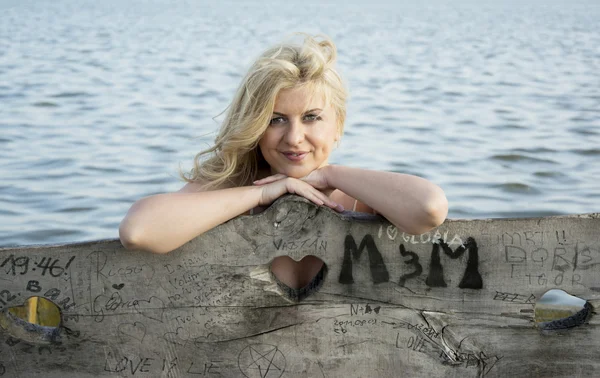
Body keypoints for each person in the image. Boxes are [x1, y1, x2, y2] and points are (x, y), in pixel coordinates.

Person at [119, 34, 448, 297]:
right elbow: (139, 231)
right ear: (255, 125)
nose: (294, 137)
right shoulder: (230, 187)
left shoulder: (358, 196)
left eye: (311, 118)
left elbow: (429, 208)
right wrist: (262, 195)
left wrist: (331, 174)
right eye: (276, 119)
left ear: (338, 125)